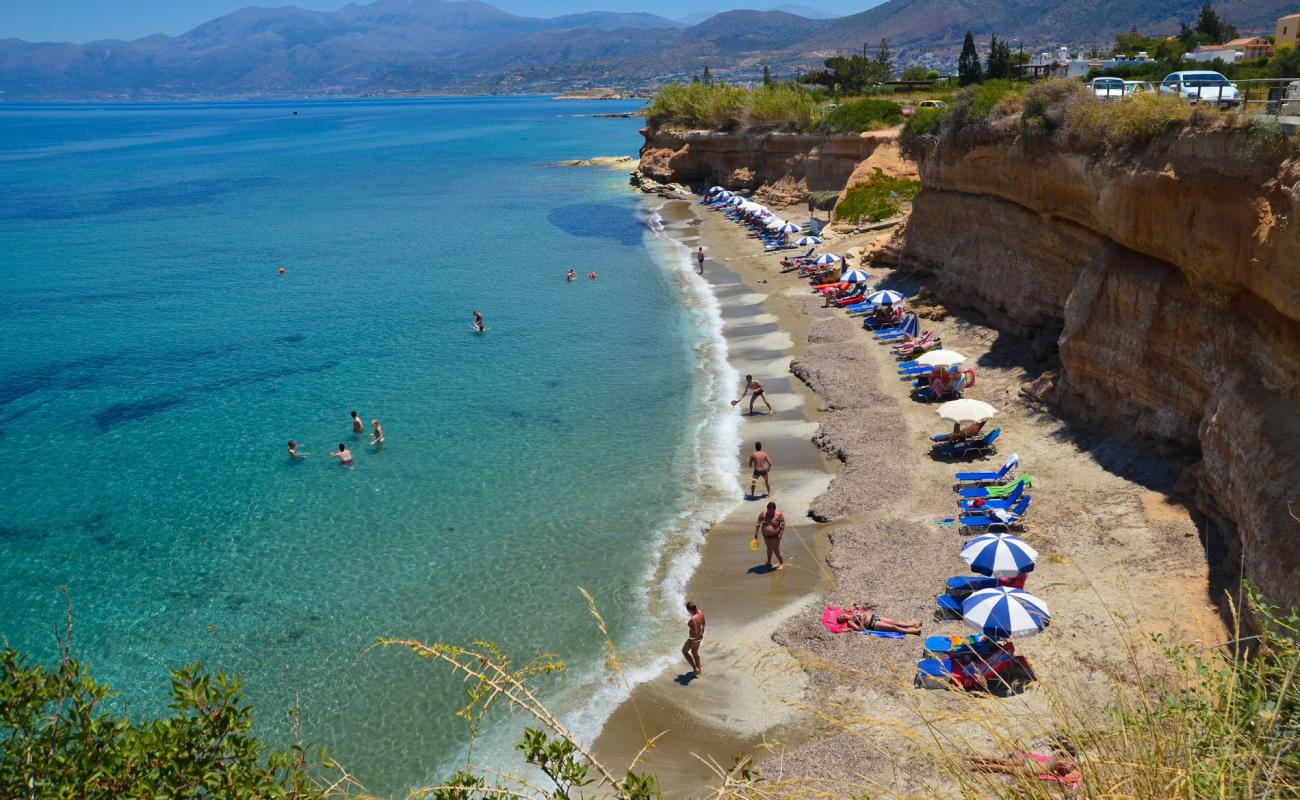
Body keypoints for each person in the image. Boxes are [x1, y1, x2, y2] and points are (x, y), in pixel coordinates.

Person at [968, 744, 1081, 789]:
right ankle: (976, 767)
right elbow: (1066, 778)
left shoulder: (1057, 755)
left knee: (1003, 761)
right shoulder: (1065, 765)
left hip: (1032, 761)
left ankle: (976, 758)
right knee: (1001, 768)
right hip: (1033, 770)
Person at [837, 603, 922, 635]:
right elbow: (860, 629)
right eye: (841, 618)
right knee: (893, 627)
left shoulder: (852, 611)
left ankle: (913, 624)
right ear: (843, 621)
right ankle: (913, 631)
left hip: (875, 617)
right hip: (872, 623)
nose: (842, 616)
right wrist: (862, 621)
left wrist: (857, 606)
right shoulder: (850, 621)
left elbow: (862, 608)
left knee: (895, 622)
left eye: (841, 615)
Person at [753, 501, 785, 570]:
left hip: (776, 535)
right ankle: (769, 562)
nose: (770, 512)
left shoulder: (778, 514)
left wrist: (781, 533)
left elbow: (782, 524)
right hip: (766, 536)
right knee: (769, 549)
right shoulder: (763, 514)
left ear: (775, 509)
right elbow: (758, 523)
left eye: (772, 510)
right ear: (767, 508)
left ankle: (781, 563)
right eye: (769, 510)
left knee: (775, 549)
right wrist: (756, 533)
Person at [682, 600, 705, 677]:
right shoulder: (700, 612)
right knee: (695, 653)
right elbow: (703, 623)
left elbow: (695, 630)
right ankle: (699, 670)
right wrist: (701, 634)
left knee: (684, 651)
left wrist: (692, 640)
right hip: (699, 637)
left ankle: (695, 669)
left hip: (693, 639)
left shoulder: (693, 619)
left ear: (689, 609)